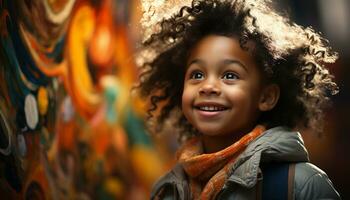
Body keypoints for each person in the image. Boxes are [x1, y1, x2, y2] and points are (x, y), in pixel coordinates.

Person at [137, 0, 341, 199]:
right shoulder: (168, 190)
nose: (208, 87)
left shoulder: (301, 185)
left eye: (229, 75)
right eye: (197, 75)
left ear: (266, 97)